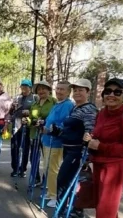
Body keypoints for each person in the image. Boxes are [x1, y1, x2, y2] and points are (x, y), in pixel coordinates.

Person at [84, 78, 123, 218]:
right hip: (98, 164)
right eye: (108, 91)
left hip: (114, 169)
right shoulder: (102, 112)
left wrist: (100, 146)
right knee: (101, 205)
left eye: (117, 92)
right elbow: (99, 133)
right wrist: (90, 137)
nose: (112, 95)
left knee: (106, 209)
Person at [54, 79, 97, 217]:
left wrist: (86, 156)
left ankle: (65, 211)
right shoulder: (75, 108)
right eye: (76, 90)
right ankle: (70, 210)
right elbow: (69, 129)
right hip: (68, 149)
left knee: (63, 179)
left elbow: (90, 133)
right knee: (68, 181)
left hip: (77, 152)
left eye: (81, 90)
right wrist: (55, 131)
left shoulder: (89, 109)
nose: (77, 93)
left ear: (88, 92)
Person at [42, 80, 74, 208]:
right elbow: (50, 120)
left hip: (55, 141)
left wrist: (50, 129)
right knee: (47, 168)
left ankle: (55, 195)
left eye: (62, 89)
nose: (59, 91)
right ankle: (50, 192)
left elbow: (64, 124)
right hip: (47, 140)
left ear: (68, 92)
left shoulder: (67, 105)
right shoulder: (57, 104)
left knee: (53, 169)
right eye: (58, 88)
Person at [27, 80, 57, 185]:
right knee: (34, 157)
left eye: (44, 88)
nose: (41, 91)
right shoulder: (34, 104)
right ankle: (35, 178)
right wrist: (28, 121)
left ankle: (46, 180)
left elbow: (56, 117)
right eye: (39, 89)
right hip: (35, 134)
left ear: (49, 90)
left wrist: (45, 122)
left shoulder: (54, 102)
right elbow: (31, 118)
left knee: (47, 158)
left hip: (47, 135)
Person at [9, 79, 38, 178]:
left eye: (26, 87)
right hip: (16, 124)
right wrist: (12, 107)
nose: (24, 88)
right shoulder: (17, 97)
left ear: (30, 88)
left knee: (25, 148)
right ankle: (15, 169)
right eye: (22, 86)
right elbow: (11, 112)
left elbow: (37, 111)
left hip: (27, 125)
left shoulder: (34, 97)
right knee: (15, 148)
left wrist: (29, 114)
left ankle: (23, 169)